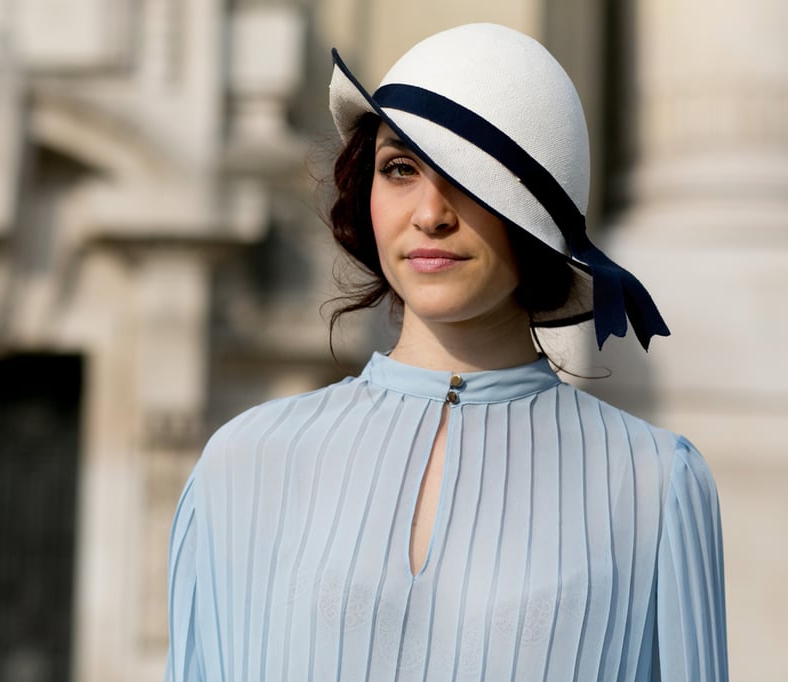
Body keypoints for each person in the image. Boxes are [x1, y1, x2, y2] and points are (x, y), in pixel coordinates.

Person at [165, 23, 727, 681]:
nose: (430, 213)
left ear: (538, 220)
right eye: (400, 169)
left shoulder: (655, 485)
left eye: (469, 178)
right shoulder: (241, 463)